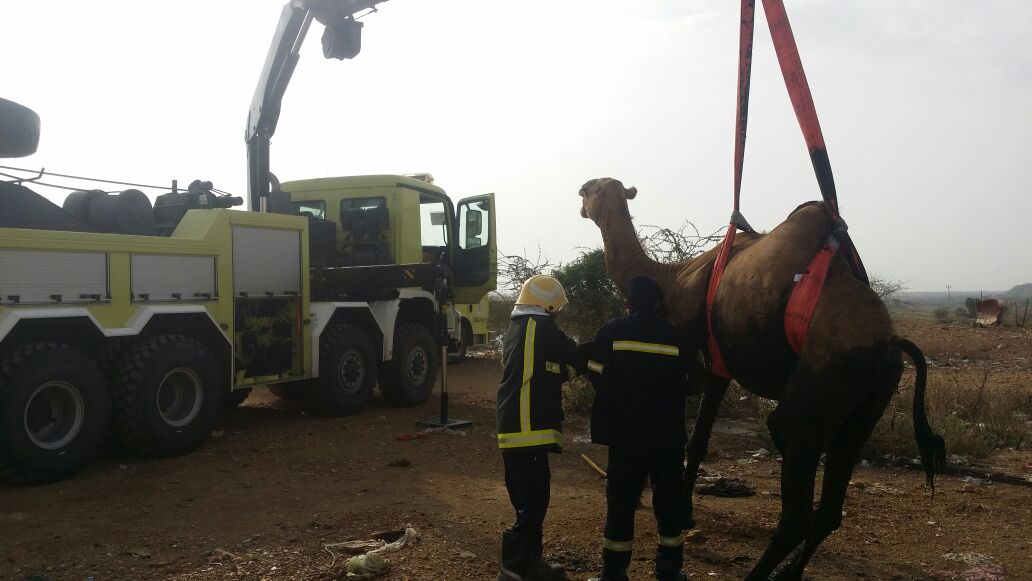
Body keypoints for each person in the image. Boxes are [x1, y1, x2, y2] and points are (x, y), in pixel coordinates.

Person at [586, 276, 696, 581]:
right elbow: (694, 382)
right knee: (669, 503)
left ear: (629, 303)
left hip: (626, 437)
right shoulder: (676, 337)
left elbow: (594, 373)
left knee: (621, 502)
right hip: (667, 438)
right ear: (659, 304)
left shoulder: (612, 330)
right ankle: (669, 570)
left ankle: (614, 573)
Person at [496, 274, 585, 581]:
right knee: (533, 501)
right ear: (546, 304)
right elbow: (573, 354)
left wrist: (571, 368)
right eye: (555, 308)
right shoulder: (540, 326)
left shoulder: (518, 328)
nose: (557, 314)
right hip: (527, 429)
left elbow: (547, 368)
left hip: (516, 428)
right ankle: (514, 567)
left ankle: (530, 563)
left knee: (530, 499)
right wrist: (599, 353)